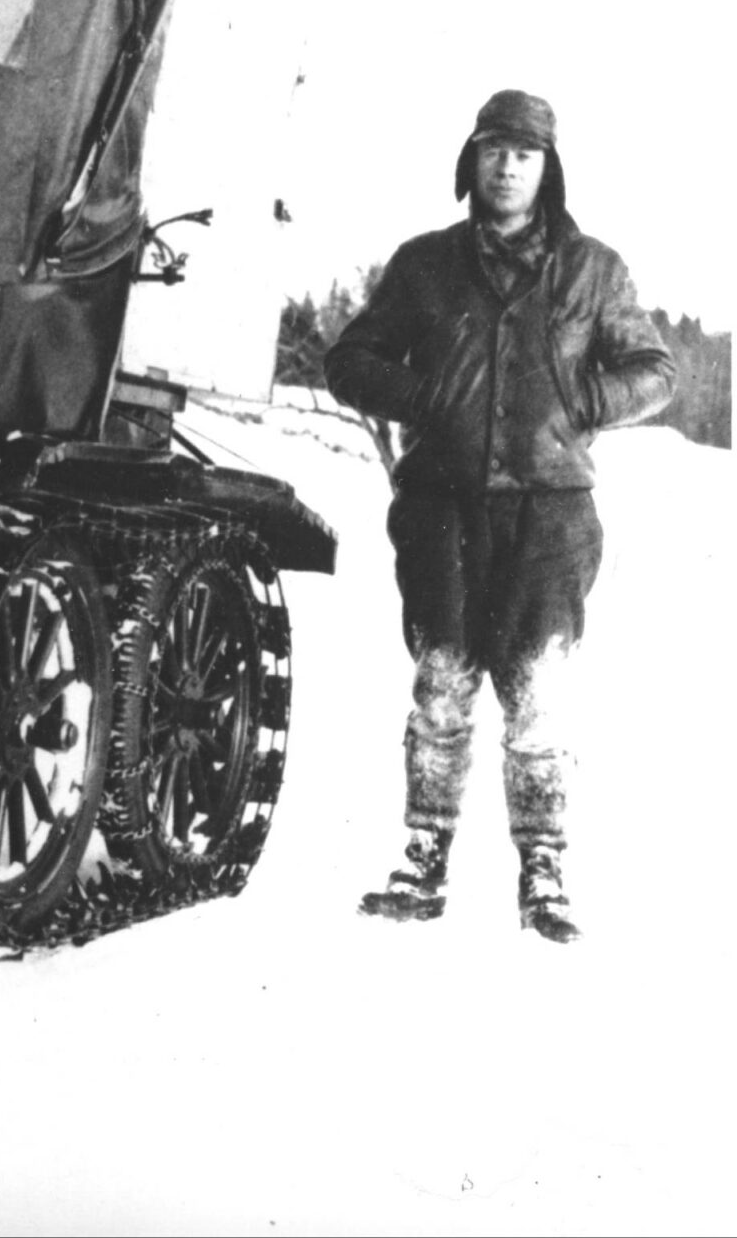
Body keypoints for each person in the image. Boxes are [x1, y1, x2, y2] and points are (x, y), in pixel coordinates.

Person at [324, 90, 675, 943]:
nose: (508, 164)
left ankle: (544, 869)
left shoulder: (595, 270)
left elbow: (657, 372)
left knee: (539, 694)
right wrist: (421, 394)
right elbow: (349, 359)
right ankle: (422, 857)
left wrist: (583, 396)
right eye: (494, 148)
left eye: (525, 152)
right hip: (440, 506)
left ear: (549, 169)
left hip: (551, 516)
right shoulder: (424, 265)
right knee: (442, 681)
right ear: (469, 161)